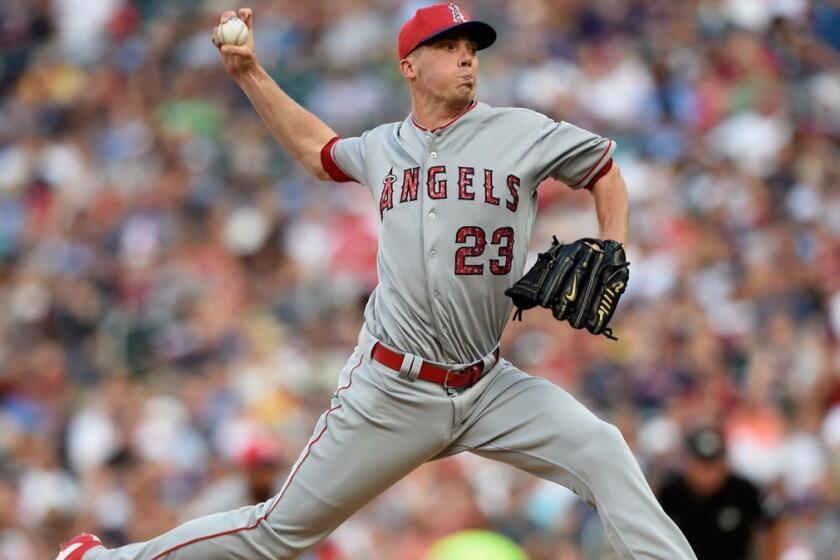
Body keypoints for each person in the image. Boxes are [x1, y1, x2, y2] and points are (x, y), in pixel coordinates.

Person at [56, 4, 697, 559]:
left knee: (603, 450)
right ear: (409, 67)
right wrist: (250, 73)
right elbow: (318, 151)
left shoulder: (520, 131)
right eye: (448, 48)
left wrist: (613, 244)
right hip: (394, 388)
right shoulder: (382, 147)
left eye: (471, 49)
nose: (467, 60)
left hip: (488, 384)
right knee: (279, 533)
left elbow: (604, 168)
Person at [658, 427, 783, 560]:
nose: (708, 476)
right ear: (688, 463)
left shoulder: (743, 491)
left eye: (714, 466)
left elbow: (773, 521)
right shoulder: (671, 492)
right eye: (702, 466)